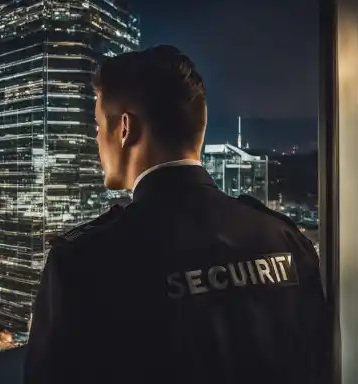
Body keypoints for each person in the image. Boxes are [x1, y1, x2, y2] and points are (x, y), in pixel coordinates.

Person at [24, 45, 327, 384]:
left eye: (97, 126)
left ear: (125, 128)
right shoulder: (284, 238)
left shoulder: (82, 263)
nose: (96, 140)